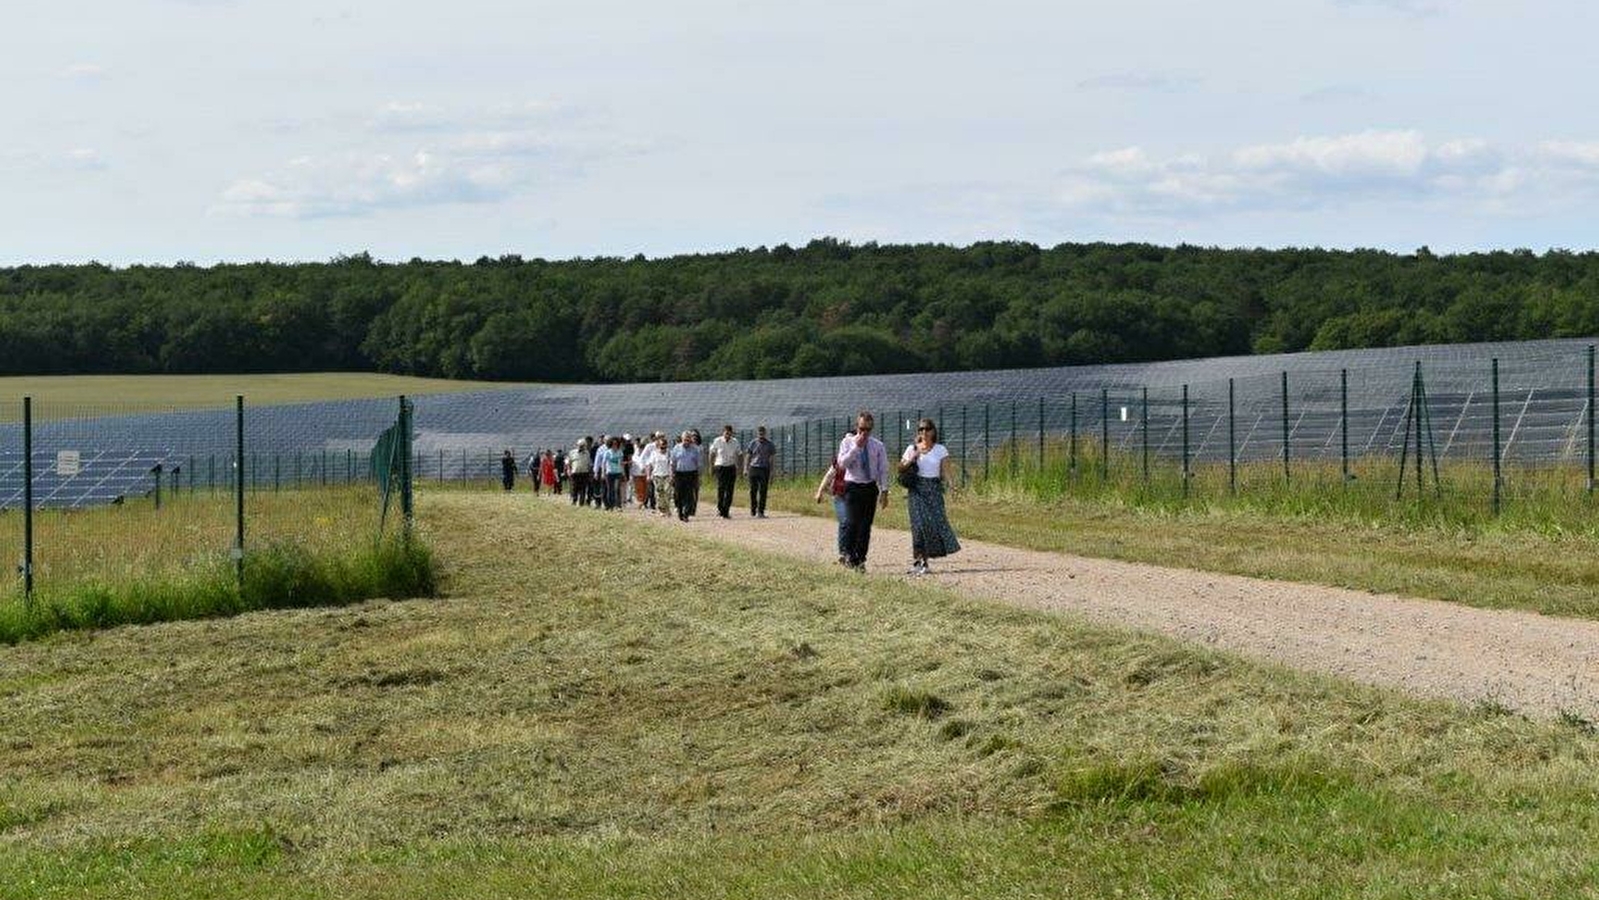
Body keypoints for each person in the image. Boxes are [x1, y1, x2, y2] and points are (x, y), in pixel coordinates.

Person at [900, 418, 961, 575]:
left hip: (933, 489)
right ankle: (919, 561)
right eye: (920, 430)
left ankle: (928, 557)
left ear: (933, 431)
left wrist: (953, 486)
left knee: (934, 524)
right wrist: (913, 456)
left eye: (927, 429)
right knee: (918, 526)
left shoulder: (940, 449)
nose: (924, 432)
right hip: (917, 490)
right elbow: (901, 468)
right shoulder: (911, 449)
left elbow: (947, 471)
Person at [837, 410, 890, 571]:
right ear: (856, 426)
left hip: (869, 487)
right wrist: (855, 448)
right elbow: (842, 464)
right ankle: (849, 555)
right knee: (852, 523)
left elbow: (883, 469)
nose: (864, 433)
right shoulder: (847, 442)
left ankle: (860, 559)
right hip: (852, 486)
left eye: (867, 429)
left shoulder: (878, 446)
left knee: (865, 526)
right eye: (861, 429)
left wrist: (884, 491)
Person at [814, 431, 853, 564]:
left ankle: (852, 551)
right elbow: (829, 475)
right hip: (839, 495)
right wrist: (820, 492)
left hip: (854, 496)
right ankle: (843, 552)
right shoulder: (838, 460)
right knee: (845, 521)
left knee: (854, 524)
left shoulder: (859, 459)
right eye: (845, 440)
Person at [708, 425, 742, 519]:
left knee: (730, 490)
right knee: (721, 489)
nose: (728, 434)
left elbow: (740, 454)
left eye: (729, 433)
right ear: (723, 432)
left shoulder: (735, 442)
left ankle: (726, 511)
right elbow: (712, 453)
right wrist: (711, 467)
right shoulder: (717, 441)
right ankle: (720, 508)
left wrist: (740, 467)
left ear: (731, 433)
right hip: (720, 467)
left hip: (731, 467)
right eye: (726, 432)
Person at [745, 425, 777, 518]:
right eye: (759, 433)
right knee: (753, 490)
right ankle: (753, 509)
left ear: (765, 433)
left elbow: (772, 459)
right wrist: (745, 468)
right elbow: (748, 456)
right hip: (753, 468)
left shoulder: (770, 444)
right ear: (757, 433)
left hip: (764, 469)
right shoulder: (752, 443)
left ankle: (761, 511)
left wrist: (772, 472)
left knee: (763, 491)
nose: (761, 434)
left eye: (763, 433)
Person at [670, 431, 700, 521]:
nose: (686, 442)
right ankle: (680, 512)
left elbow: (698, 463)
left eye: (688, 440)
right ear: (682, 439)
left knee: (689, 495)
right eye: (685, 440)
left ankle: (686, 513)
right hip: (679, 474)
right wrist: (672, 474)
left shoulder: (695, 449)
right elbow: (672, 463)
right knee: (678, 494)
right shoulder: (676, 448)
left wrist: (698, 476)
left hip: (691, 474)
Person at [649, 433, 674, 517]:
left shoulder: (669, 453)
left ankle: (667, 509)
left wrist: (672, 475)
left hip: (666, 475)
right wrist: (649, 475)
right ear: (658, 446)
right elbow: (650, 465)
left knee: (667, 493)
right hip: (657, 475)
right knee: (659, 493)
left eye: (665, 446)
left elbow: (671, 465)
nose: (663, 448)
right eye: (661, 446)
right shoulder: (654, 453)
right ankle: (661, 510)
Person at [569, 438, 593, 507]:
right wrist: (569, 470)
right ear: (577, 445)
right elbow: (569, 463)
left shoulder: (587, 453)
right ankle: (574, 500)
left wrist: (590, 472)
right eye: (580, 445)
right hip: (575, 473)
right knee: (575, 488)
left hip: (584, 473)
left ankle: (581, 503)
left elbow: (589, 463)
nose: (581, 447)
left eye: (583, 445)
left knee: (583, 488)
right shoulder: (572, 452)